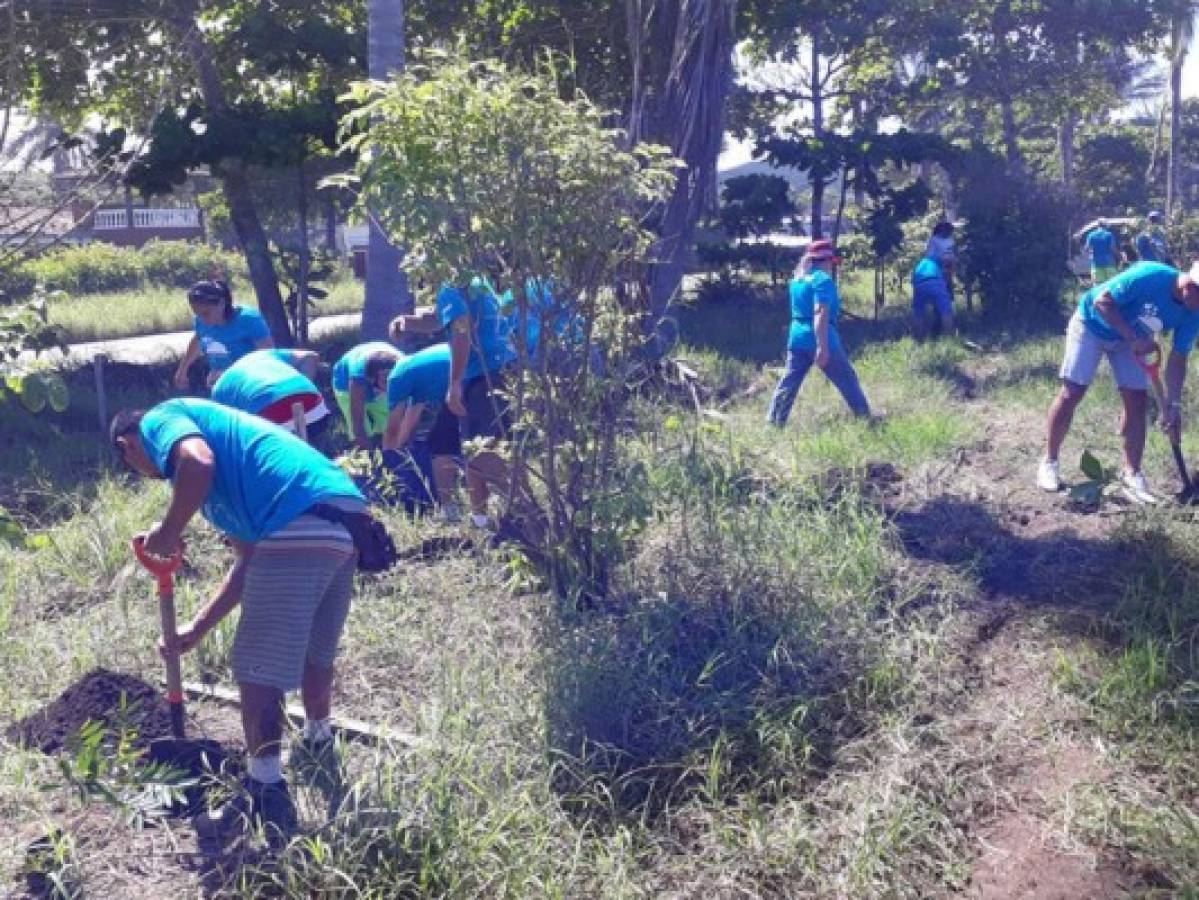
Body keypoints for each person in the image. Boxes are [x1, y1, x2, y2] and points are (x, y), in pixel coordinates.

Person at [111, 398, 366, 843]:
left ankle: (266, 790)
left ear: (127, 446)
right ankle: (319, 739)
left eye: (136, 464)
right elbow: (249, 563)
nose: (151, 471)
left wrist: (169, 529)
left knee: (257, 668)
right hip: (346, 519)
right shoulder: (233, 483)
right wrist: (197, 628)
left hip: (297, 519)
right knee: (313, 649)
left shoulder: (158, 420)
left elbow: (196, 462)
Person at [1038, 261, 1199, 503]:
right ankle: (1049, 461)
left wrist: (1173, 404)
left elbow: (1178, 359)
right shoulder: (1150, 275)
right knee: (1073, 392)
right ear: (1191, 284)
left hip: (1132, 341)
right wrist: (1132, 337)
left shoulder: (1193, 314)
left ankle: (1132, 474)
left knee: (1138, 401)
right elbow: (1102, 302)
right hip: (1091, 325)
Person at [391, 277, 517, 530]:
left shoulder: (450, 283)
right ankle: (481, 521)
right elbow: (440, 319)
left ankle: (524, 515)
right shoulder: (469, 280)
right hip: (495, 370)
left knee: (488, 453)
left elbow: (461, 328)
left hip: (483, 373)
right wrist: (409, 322)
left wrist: (455, 382)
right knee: (473, 449)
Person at [767, 240, 871, 426]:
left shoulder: (797, 281)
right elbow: (820, 312)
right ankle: (865, 419)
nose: (832, 267)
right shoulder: (822, 280)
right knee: (847, 380)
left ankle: (773, 423)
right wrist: (822, 347)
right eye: (831, 263)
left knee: (788, 384)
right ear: (826, 261)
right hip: (822, 338)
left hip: (797, 338)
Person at [372, 343, 462, 517]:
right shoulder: (417, 371)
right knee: (457, 440)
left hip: (462, 381)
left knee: (441, 448)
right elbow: (410, 421)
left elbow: (392, 430)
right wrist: (402, 447)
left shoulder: (397, 378)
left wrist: (387, 460)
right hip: (479, 371)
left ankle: (451, 513)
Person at [210, 348, 331, 438]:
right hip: (316, 408)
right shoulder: (262, 354)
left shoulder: (219, 389)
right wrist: (297, 392)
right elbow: (310, 356)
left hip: (272, 416)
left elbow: (225, 430)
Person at [174, 281, 273, 390]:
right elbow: (198, 338)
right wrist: (183, 369)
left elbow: (268, 357)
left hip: (252, 385)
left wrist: (229, 376)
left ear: (222, 303)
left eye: (206, 313)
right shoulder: (201, 321)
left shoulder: (249, 320)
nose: (202, 319)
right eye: (197, 314)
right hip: (220, 386)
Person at [331, 342, 403, 451]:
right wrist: (371, 457)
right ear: (370, 379)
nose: (390, 385)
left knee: (389, 424)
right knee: (362, 429)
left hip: (376, 381)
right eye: (385, 381)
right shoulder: (357, 378)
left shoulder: (404, 367)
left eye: (393, 380)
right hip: (344, 385)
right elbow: (358, 424)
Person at [911, 253, 955, 339]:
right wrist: (950, 272)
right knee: (946, 311)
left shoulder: (921, 263)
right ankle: (950, 338)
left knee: (918, 313)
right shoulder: (935, 257)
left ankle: (919, 339)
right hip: (935, 281)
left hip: (919, 284)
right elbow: (949, 258)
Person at [1085, 219, 1121, 286]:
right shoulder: (1109, 235)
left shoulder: (1091, 235)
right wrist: (1119, 257)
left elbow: (1087, 249)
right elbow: (1113, 248)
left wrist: (1091, 253)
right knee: (1112, 286)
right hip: (1109, 264)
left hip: (1096, 264)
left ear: (1098, 225)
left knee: (1098, 288)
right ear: (1106, 225)